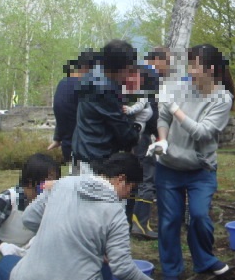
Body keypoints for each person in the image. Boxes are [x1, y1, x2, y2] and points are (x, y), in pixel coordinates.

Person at [0, 152, 186, 280]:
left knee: (4, 263)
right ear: (121, 180)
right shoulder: (115, 211)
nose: (129, 195)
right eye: (131, 189)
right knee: (105, 267)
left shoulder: (64, 184)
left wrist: (52, 229)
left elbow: (29, 218)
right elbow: (123, 269)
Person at [147, 44, 235, 280]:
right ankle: (171, 270)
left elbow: (203, 133)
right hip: (169, 166)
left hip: (200, 170)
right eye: (191, 64)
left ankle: (205, 260)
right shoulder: (179, 87)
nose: (191, 70)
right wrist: (163, 140)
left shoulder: (222, 98)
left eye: (195, 65)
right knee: (169, 219)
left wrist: (174, 108)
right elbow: (163, 116)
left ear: (211, 69)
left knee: (198, 215)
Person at [71, 39, 142, 173]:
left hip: (82, 151)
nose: (128, 75)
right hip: (95, 157)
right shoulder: (104, 89)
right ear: (121, 68)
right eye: (128, 70)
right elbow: (123, 130)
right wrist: (137, 130)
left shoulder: (91, 76)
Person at [129, 47, 172, 240]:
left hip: (128, 132)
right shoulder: (150, 75)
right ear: (157, 60)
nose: (169, 67)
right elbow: (151, 109)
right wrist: (162, 136)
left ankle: (129, 219)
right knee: (147, 177)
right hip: (142, 136)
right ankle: (141, 222)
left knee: (131, 176)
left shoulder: (133, 71)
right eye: (168, 62)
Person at [48, 49, 96, 175]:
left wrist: (58, 138)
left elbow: (61, 111)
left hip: (69, 146)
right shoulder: (84, 86)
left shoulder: (63, 84)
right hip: (85, 147)